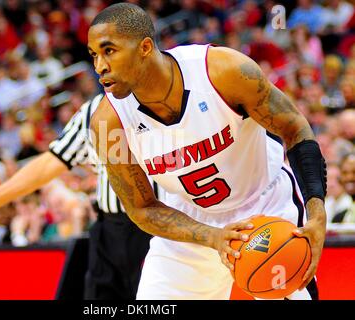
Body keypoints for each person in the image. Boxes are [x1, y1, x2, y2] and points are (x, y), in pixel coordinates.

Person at [87, 3, 327, 300]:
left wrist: (317, 212)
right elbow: (141, 208)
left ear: (145, 47)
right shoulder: (108, 123)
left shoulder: (222, 71)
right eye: (94, 55)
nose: (100, 66)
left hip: (264, 203)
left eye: (109, 51)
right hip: (189, 221)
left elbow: (295, 129)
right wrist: (213, 237)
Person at [0, 93, 159, 300]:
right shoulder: (94, 109)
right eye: (95, 57)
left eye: (109, 56)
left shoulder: (168, 98)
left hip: (160, 225)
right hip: (110, 228)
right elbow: (53, 160)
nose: (102, 65)